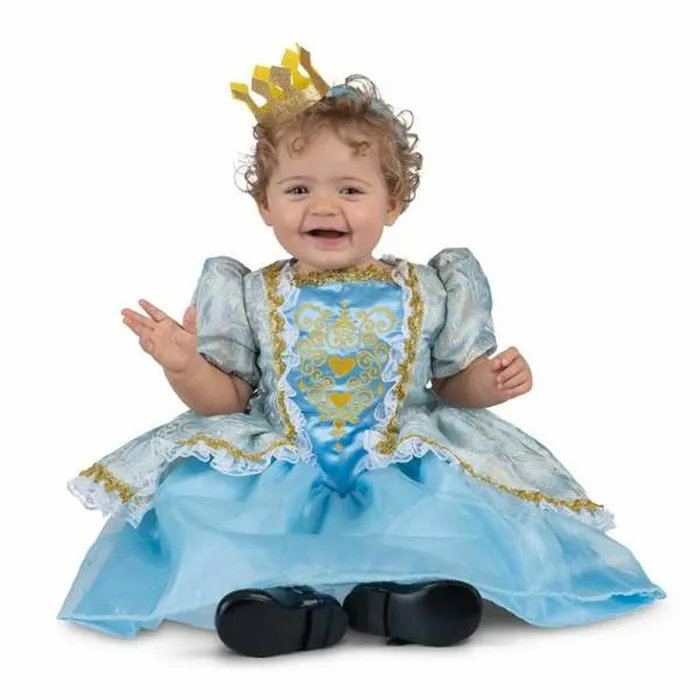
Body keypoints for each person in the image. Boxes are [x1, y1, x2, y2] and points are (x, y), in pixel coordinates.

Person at [58, 45, 664, 657]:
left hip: (399, 454)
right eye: (298, 189)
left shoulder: (432, 286)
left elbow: (453, 383)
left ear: (392, 202)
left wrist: (490, 382)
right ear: (265, 205)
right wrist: (186, 366)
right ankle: (283, 603)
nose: (324, 207)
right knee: (198, 500)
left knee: (447, 510)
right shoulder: (245, 291)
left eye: (350, 189)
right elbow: (226, 401)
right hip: (284, 453)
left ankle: (401, 596)